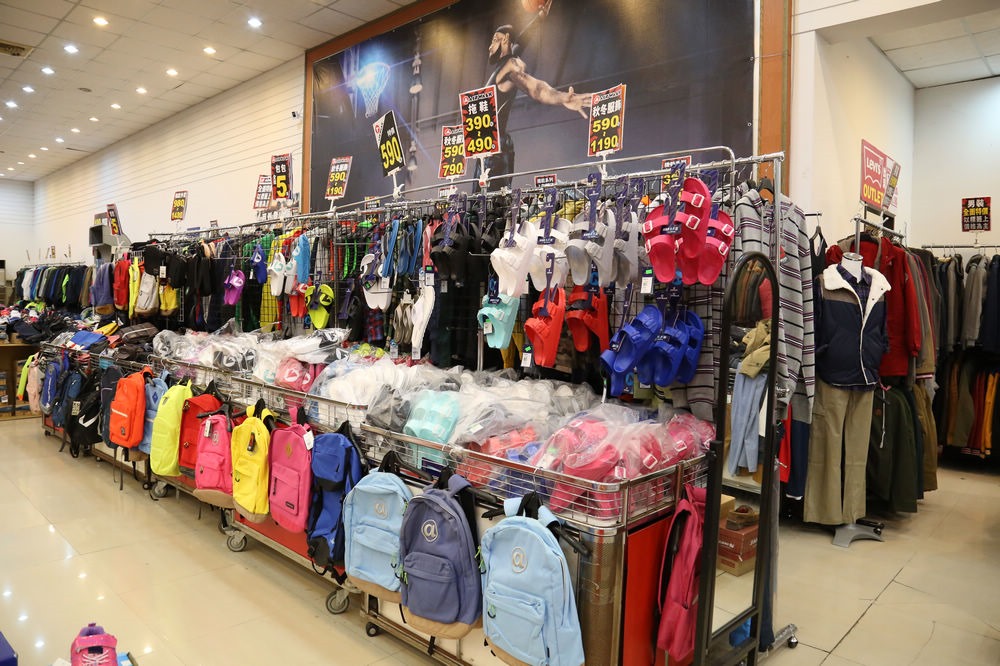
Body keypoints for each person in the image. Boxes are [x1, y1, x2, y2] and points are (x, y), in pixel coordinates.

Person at [477, 2, 592, 190]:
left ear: (505, 40)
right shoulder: (505, 63)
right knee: (479, 201)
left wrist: (562, 97)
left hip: (496, 152)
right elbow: (521, 42)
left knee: (489, 203)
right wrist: (538, 19)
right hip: (489, 149)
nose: (490, 47)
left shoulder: (511, 66)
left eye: (495, 40)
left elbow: (536, 88)